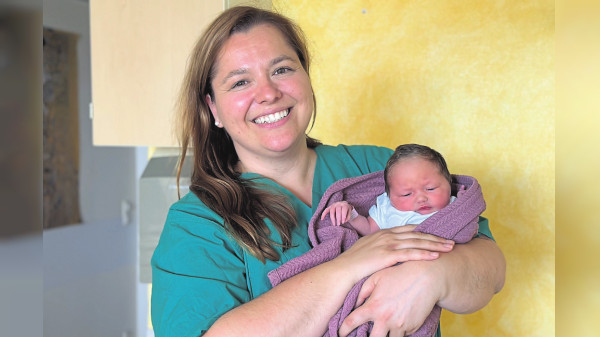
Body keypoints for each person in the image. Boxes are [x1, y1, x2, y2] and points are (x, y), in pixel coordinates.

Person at [150, 6, 505, 337]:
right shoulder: (196, 225)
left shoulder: (380, 167)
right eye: (240, 82)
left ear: (305, 77)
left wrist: (432, 275)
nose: (269, 93)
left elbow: (491, 268)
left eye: (282, 69)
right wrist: (349, 265)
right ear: (212, 107)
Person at [322, 144, 457, 236]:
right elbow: (369, 230)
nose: (421, 198)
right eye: (407, 194)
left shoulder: (456, 207)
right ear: (389, 196)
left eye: (430, 188)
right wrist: (350, 214)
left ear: (449, 183)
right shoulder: (387, 209)